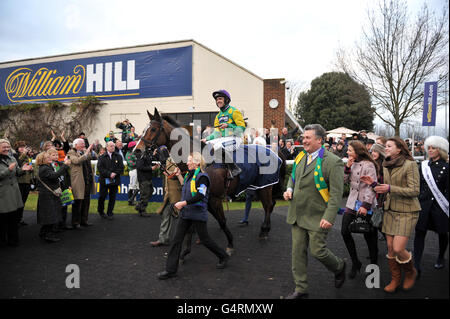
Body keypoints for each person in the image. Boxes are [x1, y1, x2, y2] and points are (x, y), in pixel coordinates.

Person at [283, 124, 346, 299]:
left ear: (319, 140)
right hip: (297, 214)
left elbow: (336, 195)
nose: (303, 141)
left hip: (318, 216)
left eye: (308, 138)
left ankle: (339, 266)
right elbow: (293, 178)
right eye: (303, 137)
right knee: (297, 254)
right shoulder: (301, 156)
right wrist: (289, 189)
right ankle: (301, 289)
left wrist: (329, 217)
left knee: (318, 251)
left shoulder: (333, 162)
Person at [157, 152, 230, 280]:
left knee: (205, 239)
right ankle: (171, 270)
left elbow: (200, 196)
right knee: (176, 240)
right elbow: (185, 186)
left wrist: (183, 203)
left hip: (197, 214)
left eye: (189, 161)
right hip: (186, 214)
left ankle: (223, 256)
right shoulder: (189, 175)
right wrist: (179, 176)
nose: (187, 163)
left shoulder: (203, 177)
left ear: (197, 163)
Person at [361, 137, 420, 293]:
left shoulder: (410, 165)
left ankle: (410, 272)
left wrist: (389, 188)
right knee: (390, 248)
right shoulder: (386, 165)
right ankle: (395, 279)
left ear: (399, 149)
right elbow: (385, 188)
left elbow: (414, 191)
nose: (385, 148)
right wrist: (373, 185)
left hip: (407, 211)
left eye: (388, 146)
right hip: (390, 210)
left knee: (399, 248)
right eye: (385, 146)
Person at [341, 141, 379, 278]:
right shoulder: (350, 163)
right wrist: (347, 167)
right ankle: (355, 262)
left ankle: (374, 266)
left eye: (350, 150)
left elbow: (371, 186)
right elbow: (344, 181)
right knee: (344, 231)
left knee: (369, 236)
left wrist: (365, 205)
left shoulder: (369, 165)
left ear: (357, 151)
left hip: (365, 203)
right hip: (352, 202)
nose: (347, 152)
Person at [414, 136, 449, 277]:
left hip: (440, 206)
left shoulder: (447, 168)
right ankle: (416, 264)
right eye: (429, 147)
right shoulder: (423, 166)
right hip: (423, 204)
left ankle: (441, 256)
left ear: (441, 150)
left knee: (442, 233)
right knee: (419, 232)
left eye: (433, 148)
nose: (430, 150)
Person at [201, 90, 246, 178]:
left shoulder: (234, 111)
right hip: (224, 138)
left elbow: (241, 128)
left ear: (226, 100)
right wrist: (206, 139)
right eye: (217, 99)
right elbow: (217, 133)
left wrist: (228, 125)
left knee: (218, 147)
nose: (218, 101)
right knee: (206, 145)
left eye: (220, 99)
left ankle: (234, 168)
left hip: (235, 139)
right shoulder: (218, 116)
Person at [0, 139, 33, 246]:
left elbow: (17, 172)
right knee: (3, 218)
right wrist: (8, 170)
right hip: (3, 193)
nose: (6, 149)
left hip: (13, 192)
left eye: (7, 147)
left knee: (13, 218)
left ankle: (13, 239)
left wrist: (23, 169)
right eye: (4, 147)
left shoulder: (12, 158)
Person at [36, 150, 70, 243]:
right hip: (47, 195)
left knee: (50, 214)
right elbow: (54, 176)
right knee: (50, 215)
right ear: (42, 160)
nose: (50, 158)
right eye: (48, 157)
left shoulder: (47, 166)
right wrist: (65, 165)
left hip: (49, 194)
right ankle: (48, 235)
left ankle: (43, 232)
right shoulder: (44, 168)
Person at [151, 153, 184, 247]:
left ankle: (193, 236)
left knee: (184, 217)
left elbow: (182, 176)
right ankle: (163, 239)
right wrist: (166, 186)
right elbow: (166, 176)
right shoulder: (169, 158)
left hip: (179, 194)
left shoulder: (183, 159)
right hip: (169, 194)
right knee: (166, 215)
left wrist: (172, 175)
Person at [67, 138, 96, 229]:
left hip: (87, 181)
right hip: (78, 181)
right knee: (77, 202)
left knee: (86, 202)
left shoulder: (84, 152)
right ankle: (75, 222)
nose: (84, 145)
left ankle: (84, 220)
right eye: (82, 144)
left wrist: (91, 151)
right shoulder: (71, 152)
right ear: (76, 145)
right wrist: (87, 152)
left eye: (84, 144)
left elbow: (93, 157)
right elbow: (77, 161)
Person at [97, 141, 124, 220]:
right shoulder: (102, 157)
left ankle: (110, 212)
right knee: (102, 197)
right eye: (111, 146)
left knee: (112, 197)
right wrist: (109, 174)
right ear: (107, 147)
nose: (113, 147)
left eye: (113, 146)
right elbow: (100, 168)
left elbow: (121, 168)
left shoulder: (118, 156)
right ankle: (101, 211)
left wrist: (114, 173)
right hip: (104, 181)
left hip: (114, 181)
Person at [47, 148, 72, 232]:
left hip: (63, 187)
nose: (56, 156)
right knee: (56, 208)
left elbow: (67, 176)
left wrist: (69, 185)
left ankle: (63, 224)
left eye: (57, 155)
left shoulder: (60, 164)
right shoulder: (48, 166)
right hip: (55, 189)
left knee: (64, 206)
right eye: (53, 155)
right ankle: (55, 226)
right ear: (48, 156)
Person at [13, 141, 34, 226]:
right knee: (18, 202)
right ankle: (15, 220)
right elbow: (18, 163)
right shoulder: (15, 155)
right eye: (20, 147)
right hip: (19, 181)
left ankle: (20, 219)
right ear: (17, 148)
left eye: (23, 147)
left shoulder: (28, 156)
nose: (22, 148)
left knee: (23, 201)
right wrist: (24, 153)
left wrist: (31, 169)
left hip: (27, 181)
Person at [135, 146, 159, 217]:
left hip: (148, 178)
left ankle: (139, 206)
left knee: (150, 192)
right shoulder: (142, 156)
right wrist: (151, 168)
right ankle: (142, 210)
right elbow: (139, 166)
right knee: (145, 194)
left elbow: (148, 162)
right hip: (143, 178)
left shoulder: (147, 155)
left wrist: (153, 157)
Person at [370, 143, 387, 241]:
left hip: (381, 196)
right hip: (372, 195)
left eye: (375, 151)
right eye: (372, 151)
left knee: (379, 222)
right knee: (373, 222)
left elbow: (385, 183)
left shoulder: (384, 166)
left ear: (380, 153)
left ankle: (390, 245)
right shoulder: (371, 164)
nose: (373, 153)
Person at [125, 141, 139, 206]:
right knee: (132, 186)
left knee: (136, 186)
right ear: (131, 147)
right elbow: (131, 163)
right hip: (133, 171)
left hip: (136, 170)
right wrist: (139, 164)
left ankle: (131, 200)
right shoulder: (128, 154)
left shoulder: (134, 153)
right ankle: (130, 200)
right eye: (134, 146)